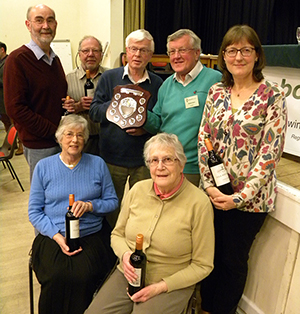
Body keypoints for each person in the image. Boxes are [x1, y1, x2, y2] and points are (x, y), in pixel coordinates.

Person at [197, 25, 287, 314]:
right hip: (212, 194)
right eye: (232, 50)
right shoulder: (216, 91)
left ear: (256, 55)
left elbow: (269, 153)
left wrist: (239, 197)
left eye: (246, 50)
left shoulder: (272, 95)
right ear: (223, 56)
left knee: (233, 262)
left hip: (250, 202)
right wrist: (209, 185)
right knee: (209, 256)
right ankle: (205, 307)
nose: (238, 56)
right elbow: (203, 138)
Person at [85, 133, 215, 314]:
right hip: (128, 274)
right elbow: (117, 235)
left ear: (181, 164)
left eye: (168, 159)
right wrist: (124, 256)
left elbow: (203, 265)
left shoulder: (199, 203)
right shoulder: (138, 190)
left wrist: (161, 286)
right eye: (154, 160)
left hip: (170, 280)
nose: (160, 167)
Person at [28, 114, 118, 314]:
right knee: (55, 276)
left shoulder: (97, 164)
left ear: (85, 139)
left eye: (79, 135)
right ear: (60, 138)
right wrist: (57, 237)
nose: (74, 140)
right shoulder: (44, 167)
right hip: (54, 235)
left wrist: (90, 206)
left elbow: (112, 202)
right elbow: (34, 212)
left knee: (84, 275)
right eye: (69, 134)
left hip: (91, 234)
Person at [89, 29, 163, 228]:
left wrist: (145, 129)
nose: (138, 55)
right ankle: (111, 247)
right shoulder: (109, 78)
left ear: (150, 55)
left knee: (144, 207)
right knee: (111, 208)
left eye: (144, 51)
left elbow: (161, 120)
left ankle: (136, 244)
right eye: (133, 49)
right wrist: (117, 106)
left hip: (144, 160)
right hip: (112, 158)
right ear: (126, 52)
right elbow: (94, 111)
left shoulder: (157, 83)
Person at [143, 29, 222, 187]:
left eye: (182, 50)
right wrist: (140, 115)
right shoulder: (166, 85)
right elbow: (158, 122)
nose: (176, 56)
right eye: (172, 51)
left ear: (197, 52)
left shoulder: (216, 80)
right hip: (166, 165)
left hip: (195, 167)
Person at [4, 4, 67, 181]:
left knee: (60, 194)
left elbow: (53, 98)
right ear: (28, 24)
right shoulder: (17, 60)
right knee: (45, 198)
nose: (45, 26)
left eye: (50, 20)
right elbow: (15, 109)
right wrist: (54, 132)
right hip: (40, 146)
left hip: (59, 141)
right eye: (39, 20)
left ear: (56, 24)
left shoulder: (55, 60)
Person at [63, 36, 108, 155]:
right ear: (79, 54)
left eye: (95, 51)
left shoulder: (111, 77)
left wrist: (100, 106)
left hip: (107, 138)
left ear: (101, 54)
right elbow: (62, 111)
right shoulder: (67, 79)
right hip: (79, 141)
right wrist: (77, 106)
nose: (91, 54)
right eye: (86, 51)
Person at [0, 42, 11, 132]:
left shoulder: (8, 62)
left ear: (2, 50)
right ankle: (10, 144)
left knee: (13, 124)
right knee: (6, 123)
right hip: (1, 102)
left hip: (7, 100)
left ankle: (20, 145)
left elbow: (9, 81)